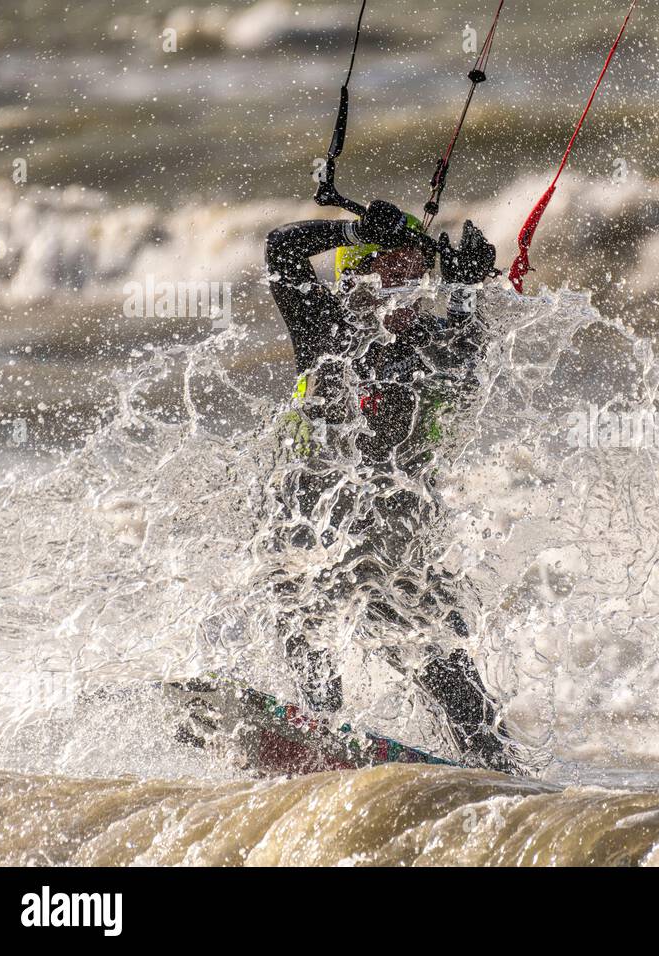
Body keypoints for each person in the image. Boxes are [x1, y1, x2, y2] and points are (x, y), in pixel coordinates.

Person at [264, 199, 516, 772]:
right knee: (307, 624)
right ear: (354, 280)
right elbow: (281, 247)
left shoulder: (438, 347)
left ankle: (501, 777)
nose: (401, 291)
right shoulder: (325, 333)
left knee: (469, 710)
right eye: (386, 273)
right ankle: (318, 730)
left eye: (413, 277)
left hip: (397, 555)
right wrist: (353, 229)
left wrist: (468, 287)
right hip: (307, 543)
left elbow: (473, 361)